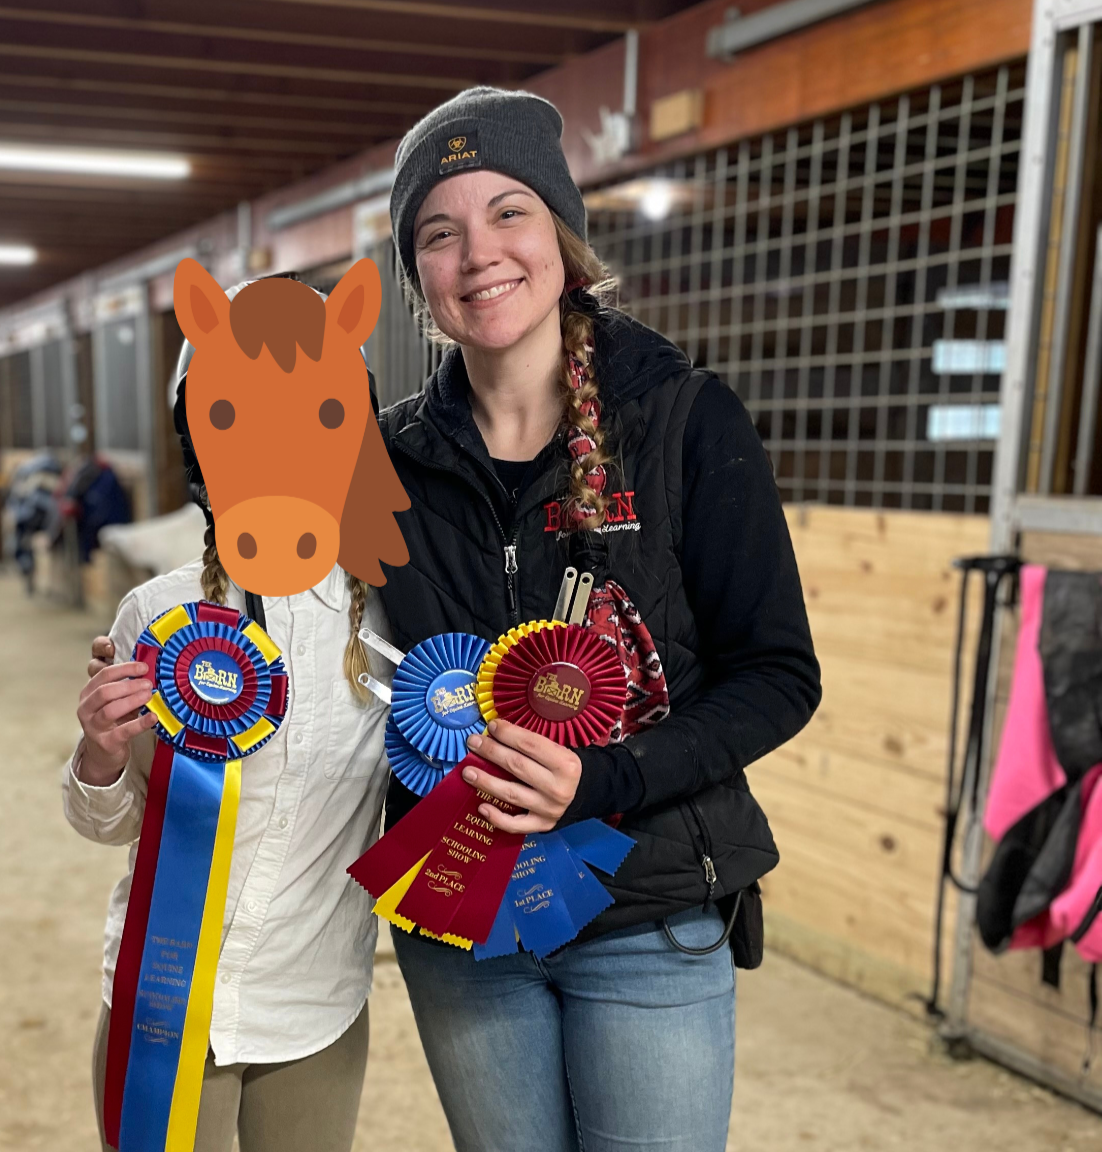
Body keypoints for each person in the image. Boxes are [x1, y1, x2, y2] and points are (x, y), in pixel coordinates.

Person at [371, 87, 822, 1151]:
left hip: (648, 911)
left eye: (509, 211)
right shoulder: (382, 466)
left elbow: (778, 673)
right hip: (462, 921)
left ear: (565, 238)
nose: (478, 252)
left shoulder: (682, 420)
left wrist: (604, 781)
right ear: (419, 278)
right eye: (440, 232)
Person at [63, 279, 395, 1152]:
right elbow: (113, 821)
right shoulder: (155, 616)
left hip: (314, 1009)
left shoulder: (397, 623)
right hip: (168, 1009)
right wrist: (97, 755)